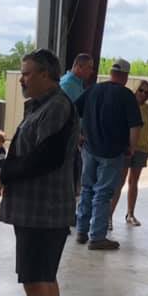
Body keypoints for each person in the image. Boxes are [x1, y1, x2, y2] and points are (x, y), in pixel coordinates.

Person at [0, 49, 80, 296]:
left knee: (36, 283)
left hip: (42, 210)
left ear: (46, 75)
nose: (22, 79)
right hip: (37, 208)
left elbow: (45, 157)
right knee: (43, 279)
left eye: (27, 73)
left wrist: (4, 173)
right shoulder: (43, 106)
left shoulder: (57, 106)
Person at [74, 58, 142, 250]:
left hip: (89, 148)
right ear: (126, 76)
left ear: (111, 72)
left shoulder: (92, 90)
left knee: (87, 188)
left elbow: (73, 111)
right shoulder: (127, 95)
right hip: (112, 152)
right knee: (103, 193)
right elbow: (135, 126)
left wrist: (79, 134)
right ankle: (97, 237)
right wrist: (131, 147)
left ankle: (81, 231)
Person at [110, 80, 148, 227]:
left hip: (141, 148)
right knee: (120, 181)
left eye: (146, 92)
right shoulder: (126, 104)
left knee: (134, 181)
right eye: (141, 90)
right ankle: (108, 216)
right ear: (135, 90)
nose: (143, 94)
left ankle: (130, 214)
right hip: (126, 147)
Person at [59, 53, 92, 198]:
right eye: (89, 67)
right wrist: (76, 134)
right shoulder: (67, 85)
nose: (92, 71)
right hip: (69, 140)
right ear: (79, 66)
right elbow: (64, 114)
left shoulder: (77, 84)